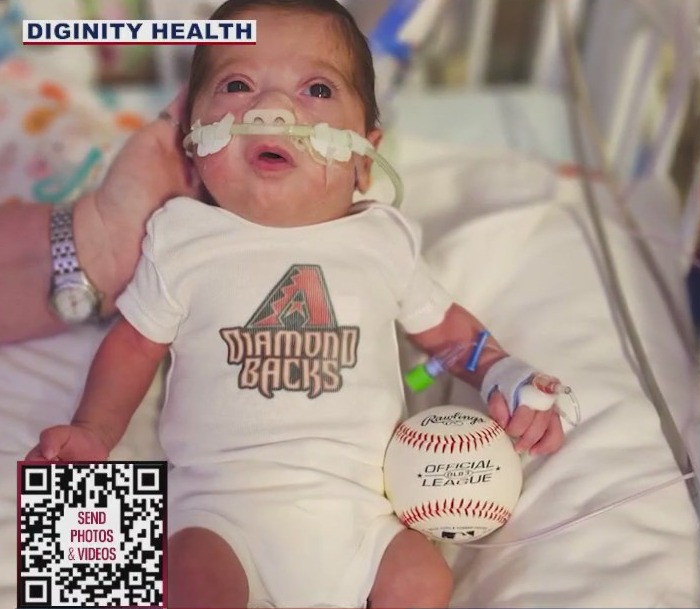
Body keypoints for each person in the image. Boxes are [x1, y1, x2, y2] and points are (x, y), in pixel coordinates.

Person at [23, 1, 564, 607]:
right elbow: (132, 343)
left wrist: (503, 369)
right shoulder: (182, 237)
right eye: (237, 84)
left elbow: (448, 332)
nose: (270, 110)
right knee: (188, 582)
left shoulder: (381, 240)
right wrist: (95, 432)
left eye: (315, 88)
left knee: (421, 580)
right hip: (217, 515)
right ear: (194, 146)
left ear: (364, 155)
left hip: (361, 515)